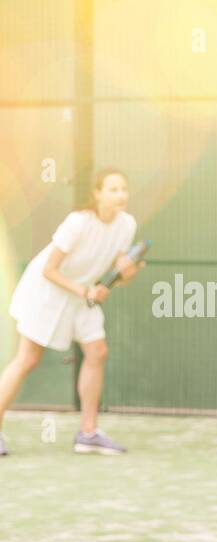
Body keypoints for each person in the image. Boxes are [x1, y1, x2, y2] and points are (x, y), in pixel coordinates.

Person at [0, 168, 144, 456]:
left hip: (81, 295)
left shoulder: (127, 224)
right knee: (28, 359)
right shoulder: (77, 223)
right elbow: (48, 269)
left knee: (97, 352)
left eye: (124, 189)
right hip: (46, 292)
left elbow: (117, 268)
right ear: (97, 194)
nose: (121, 195)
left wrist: (127, 273)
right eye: (113, 189)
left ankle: (88, 433)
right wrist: (86, 291)